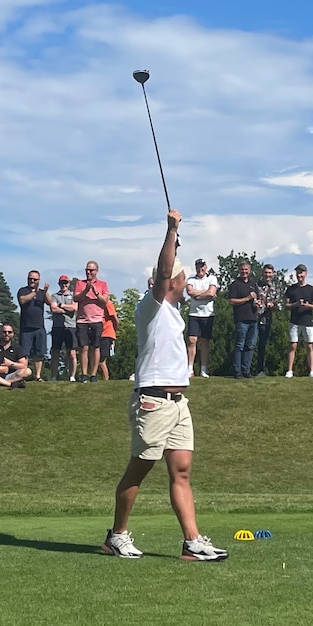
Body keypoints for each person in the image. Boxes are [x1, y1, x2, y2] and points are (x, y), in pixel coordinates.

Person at [102, 208, 228, 562]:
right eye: (181, 276)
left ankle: (192, 542)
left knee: (182, 470)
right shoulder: (152, 306)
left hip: (177, 402)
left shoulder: (173, 312)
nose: (186, 280)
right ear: (168, 282)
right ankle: (117, 535)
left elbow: (167, 273)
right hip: (153, 401)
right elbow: (162, 271)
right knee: (138, 469)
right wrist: (171, 231)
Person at [74, 260, 110, 382]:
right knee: (83, 347)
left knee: (96, 347)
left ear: (96, 271)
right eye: (87, 270)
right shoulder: (80, 283)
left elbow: (104, 301)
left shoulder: (103, 284)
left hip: (97, 320)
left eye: (91, 270)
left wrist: (95, 292)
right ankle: (84, 373)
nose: (88, 272)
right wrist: (86, 290)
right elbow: (76, 298)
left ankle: (93, 374)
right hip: (82, 320)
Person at [284, 264, 313, 378]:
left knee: (309, 346)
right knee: (292, 345)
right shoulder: (291, 289)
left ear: (305, 274)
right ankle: (289, 371)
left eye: (301, 273)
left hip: (308, 321)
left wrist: (308, 305)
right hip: (294, 321)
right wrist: (296, 304)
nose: (299, 275)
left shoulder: (311, 289)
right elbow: (286, 305)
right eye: (298, 273)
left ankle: (312, 371)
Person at [16, 270, 51, 382]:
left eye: (35, 279)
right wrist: (34, 293)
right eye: (30, 278)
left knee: (39, 353)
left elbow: (50, 303)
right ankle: (23, 375)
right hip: (26, 327)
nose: (32, 281)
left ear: (38, 280)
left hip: (39, 327)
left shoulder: (42, 292)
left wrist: (45, 292)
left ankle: (38, 376)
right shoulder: (23, 290)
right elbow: (22, 300)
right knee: (24, 353)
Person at [227, 260, 260, 380]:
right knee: (240, 345)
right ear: (239, 270)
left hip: (253, 318)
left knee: (250, 346)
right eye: (242, 269)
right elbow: (231, 301)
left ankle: (246, 370)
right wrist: (246, 298)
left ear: (250, 271)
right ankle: (238, 371)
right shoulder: (235, 284)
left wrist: (257, 303)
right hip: (241, 319)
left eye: (246, 269)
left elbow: (256, 299)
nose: (244, 271)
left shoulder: (253, 284)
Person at [186, 258, 218, 378]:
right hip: (194, 314)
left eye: (202, 266)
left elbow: (212, 292)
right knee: (192, 340)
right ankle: (190, 369)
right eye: (198, 266)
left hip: (208, 314)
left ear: (206, 267)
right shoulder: (191, 279)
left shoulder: (212, 278)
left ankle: (204, 369)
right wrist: (206, 294)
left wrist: (197, 296)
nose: (200, 269)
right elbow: (190, 291)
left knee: (205, 342)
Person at [0, 324, 32, 389]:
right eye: (4, 332)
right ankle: (10, 384)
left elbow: (23, 365)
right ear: (0, 333)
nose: (7, 334)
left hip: (11, 375)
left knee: (28, 371)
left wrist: (10, 364)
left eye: (9, 332)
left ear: (13, 334)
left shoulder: (16, 347)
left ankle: (0, 382)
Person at [50, 275, 78, 381]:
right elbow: (53, 308)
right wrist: (67, 309)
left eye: (66, 283)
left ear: (69, 283)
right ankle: (53, 376)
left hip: (71, 327)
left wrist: (61, 306)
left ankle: (72, 376)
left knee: (71, 353)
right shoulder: (54, 295)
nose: (64, 285)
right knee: (55, 352)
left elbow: (75, 307)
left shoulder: (73, 295)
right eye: (62, 283)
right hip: (57, 327)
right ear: (59, 284)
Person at [255, 264, 280, 377]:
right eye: (266, 272)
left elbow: (278, 306)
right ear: (262, 273)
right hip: (254, 318)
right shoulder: (256, 285)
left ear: (273, 274)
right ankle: (244, 370)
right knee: (249, 344)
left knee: (262, 345)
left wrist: (272, 306)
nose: (267, 275)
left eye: (269, 273)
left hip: (266, 320)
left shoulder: (275, 288)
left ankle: (259, 370)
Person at [98, 298, 118, 381]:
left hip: (106, 333)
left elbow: (115, 319)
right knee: (96, 359)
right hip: (99, 333)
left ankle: (106, 379)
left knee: (101, 360)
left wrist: (114, 331)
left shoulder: (108, 303)